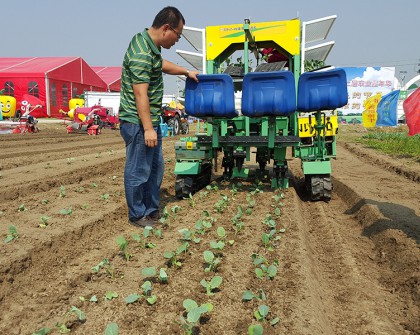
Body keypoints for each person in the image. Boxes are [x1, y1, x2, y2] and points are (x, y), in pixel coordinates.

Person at [119, 6, 199, 228]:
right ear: (166, 28)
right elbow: (140, 94)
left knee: (155, 168)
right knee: (138, 170)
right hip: (137, 122)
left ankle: (151, 211)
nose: (177, 40)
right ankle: (137, 215)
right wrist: (148, 129)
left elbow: (161, 65)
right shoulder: (142, 53)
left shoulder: (150, 46)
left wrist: (185, 71)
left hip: (149, 120)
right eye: (178, 35)